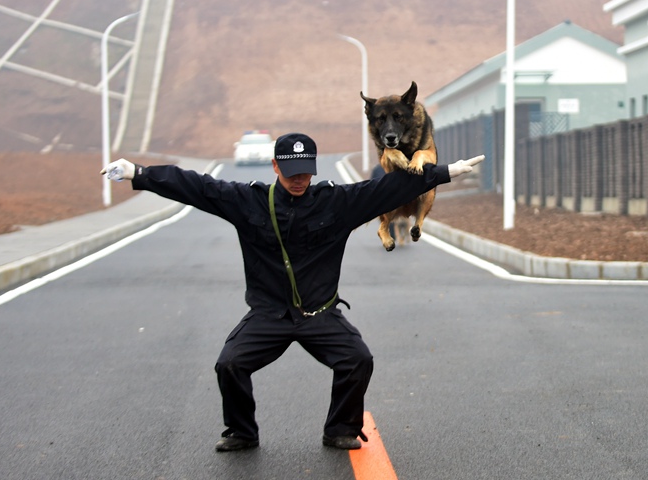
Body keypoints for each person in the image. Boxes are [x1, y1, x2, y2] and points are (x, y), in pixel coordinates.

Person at [102, 132, 484, 452]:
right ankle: (241, 431)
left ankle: (341, 429)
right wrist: (139, 174)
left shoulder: (336, 202)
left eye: (304, 172)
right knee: (230, 364)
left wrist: (443, 172)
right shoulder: (248, 200)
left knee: (358, 359)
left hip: (320, 313)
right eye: (290, 172)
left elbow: (386, 189)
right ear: (274, 168)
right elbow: (197, 187)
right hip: (269, 314)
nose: (298, 179)